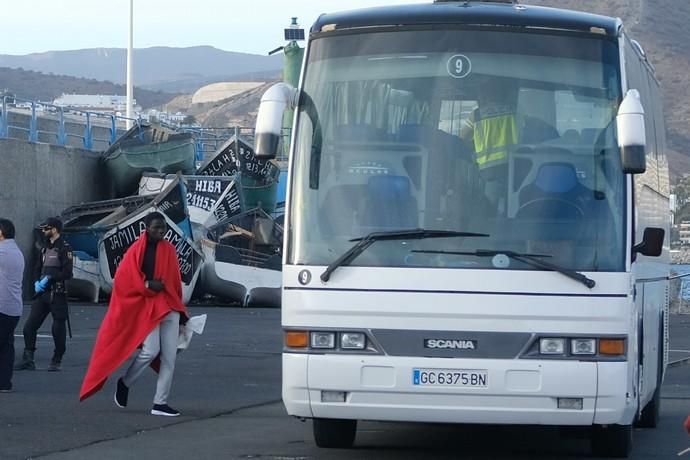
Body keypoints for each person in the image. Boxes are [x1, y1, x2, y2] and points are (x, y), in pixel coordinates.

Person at [80, 212, 188, 417]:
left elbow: (174, 284)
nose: (161, 231)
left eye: (163, 228)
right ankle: (125, 382)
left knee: (169, 359)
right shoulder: (137, 250)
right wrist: (147, 285)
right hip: (148, 308)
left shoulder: (170, 249)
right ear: (146, 229)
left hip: (169, 307)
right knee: (150, 351)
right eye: (156, 228)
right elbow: (123, 281)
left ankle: (160, 403)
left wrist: (180, 312)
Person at [15, 217, 73, 372]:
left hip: (57, 294)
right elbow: (37, 268)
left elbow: (67, 273)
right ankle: (28, 359)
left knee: (57, 329)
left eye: (46, 229)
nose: (43, 231)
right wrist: (36, 282)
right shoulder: (44, 248)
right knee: (29, 327)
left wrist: (50, 278)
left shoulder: (65, 248)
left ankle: (57, 359)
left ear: (54, 230)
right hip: (42, 294)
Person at [0, 218, 25, 392]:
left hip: (2, 307)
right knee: (6, 346)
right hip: (14, 308)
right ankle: (4, 383)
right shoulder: (16, 250)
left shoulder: (3, 251)